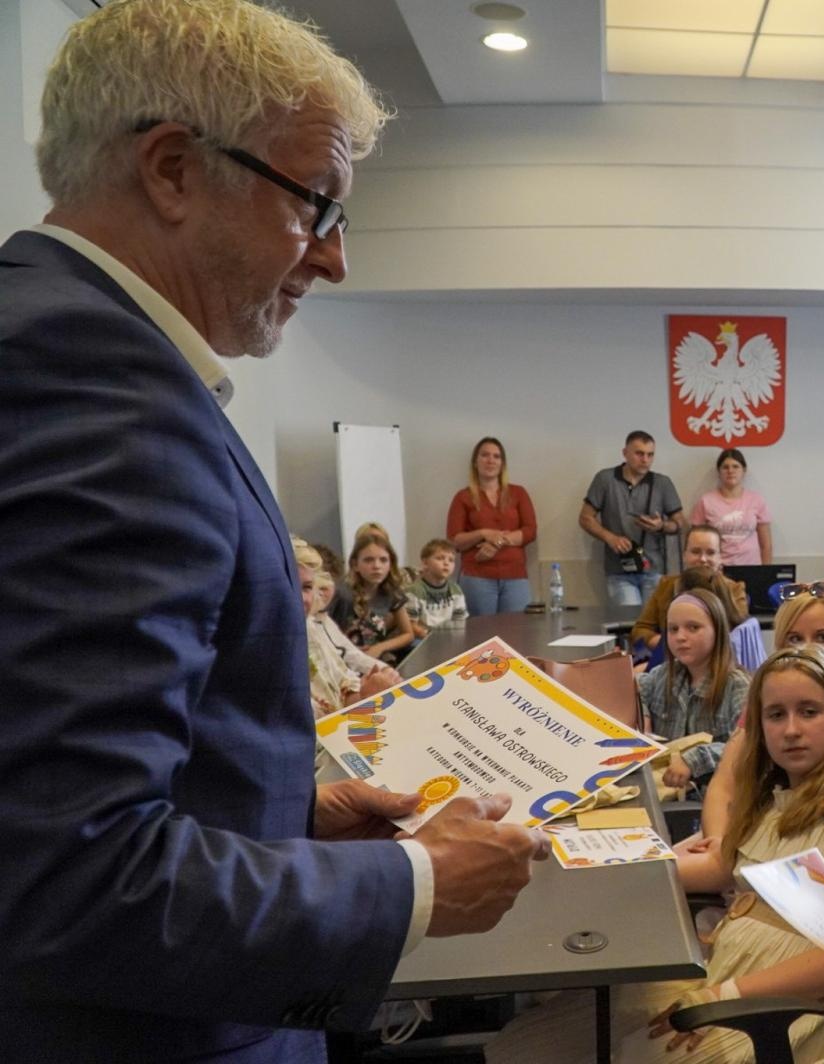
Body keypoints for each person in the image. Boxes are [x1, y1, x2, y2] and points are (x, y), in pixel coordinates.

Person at [0, 3, 544, 1057]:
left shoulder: (69, 348)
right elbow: (72, 871)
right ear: (172, 169)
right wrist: (415, 881)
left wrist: (288, 816)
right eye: (317, 207)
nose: (334, 261)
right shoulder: (95, 389)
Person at [490, 646, 824, 1063]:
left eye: (809, 711)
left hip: (789, 1002)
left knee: (628, 1054)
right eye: (776, 715)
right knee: (526, 1045)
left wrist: (724, 996)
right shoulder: (774, 797)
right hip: (725, 968)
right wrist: (607, 867)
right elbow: (719, 869)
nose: (791, 730)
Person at [697, 582, 824, 840]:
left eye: (822, 637)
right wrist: (717, 844)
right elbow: (724, 786)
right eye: (795, 638)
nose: (808, 649)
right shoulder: (769, 700)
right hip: (755, 831)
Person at [635, 588, 750, 790]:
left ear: (717, 631)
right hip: (666, 792)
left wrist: (694, 759)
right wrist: (641, 715)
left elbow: (745, 746)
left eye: (693, 628)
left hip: (713, 796)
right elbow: (636, 687)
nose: (681, 637)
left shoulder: (737, 686)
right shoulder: (664, 675)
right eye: (673, 629)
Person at [581, 430, 686, 607]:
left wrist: (661, 526)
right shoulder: (605, 479)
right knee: (629, 625)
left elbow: (681, 524)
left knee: (652, 624)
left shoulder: (662, 483)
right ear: (625, 453)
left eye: (650, 455)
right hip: (618, 569)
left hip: (654, 568)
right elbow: (585, 518)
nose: (645, 459)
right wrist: (610, 538)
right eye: (639, 453)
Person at [297, 538, 398, 719]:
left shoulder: (312, 628)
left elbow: (344, 687)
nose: (301, 598)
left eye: (306, 587)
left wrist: (367, 692)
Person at [446, 436, 537, 616]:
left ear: (503, 464)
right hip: (477, 577)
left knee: (517, 634)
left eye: (496, 456)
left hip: (515, 577)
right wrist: (483, 533)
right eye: (485, 455)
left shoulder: (518, 493)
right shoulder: (463, 497)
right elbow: (455, 540)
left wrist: (497, 542)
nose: (490, 460)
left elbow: (530, 531)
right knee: (480, 636)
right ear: (475, 462)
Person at [629, 525, 749, 649]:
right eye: (696, 552)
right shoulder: (666, 585)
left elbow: (737, 635)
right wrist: (665, 643)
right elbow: (640, 630)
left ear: (720, 557)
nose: (703, 559)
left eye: (711, 553)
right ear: (684, 555)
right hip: (667, 658)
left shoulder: (734, 589)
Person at [331, 532, 416, 665]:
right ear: (355, 565)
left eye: (383, 560)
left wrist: (380, 647)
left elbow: (408, 634)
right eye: (368, 560)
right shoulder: (342, 594)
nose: (377, 566)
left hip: (373, 658)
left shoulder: (391, 592)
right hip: (343, 661)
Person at [689, 447, 772, 565]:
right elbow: (695, 543)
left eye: (735, 466)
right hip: (717, 570)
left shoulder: (756, 500)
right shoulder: (706, 501)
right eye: (725, 467)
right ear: (719, 471)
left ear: (744, 470)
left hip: (751, 568)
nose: (730, 471)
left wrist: (766, 573)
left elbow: (766, 545)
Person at [406, 537, 469, 642]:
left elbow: (460, 622)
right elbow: (411, 624)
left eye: (451, 560)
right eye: (440, 558)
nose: (446, 563)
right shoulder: (414, 591)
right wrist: (429, 637)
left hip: (448, 637)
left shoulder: (456, 590)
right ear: (425, 563)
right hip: (422, 638)